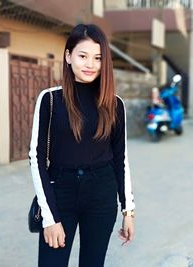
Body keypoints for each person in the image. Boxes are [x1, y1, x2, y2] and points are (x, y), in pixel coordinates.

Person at [29, 23, 135, 267]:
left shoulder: (114, 104)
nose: (90, 64)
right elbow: (36, 158)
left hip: (102, 195)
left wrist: (128, 210)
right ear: (68, 56)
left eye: (98, 58)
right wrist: (49, 217)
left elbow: (121, 159)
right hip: (60, 194)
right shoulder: (50, 99)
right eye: (83, 56)